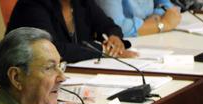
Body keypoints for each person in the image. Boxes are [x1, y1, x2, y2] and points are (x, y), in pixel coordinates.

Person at [7, 0, 136, 63]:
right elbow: (52, 50)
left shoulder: (82, 2)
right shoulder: (32, 5)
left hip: (71, 75)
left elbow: (108, 25)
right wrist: (102, 49)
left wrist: (115, 38)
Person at [96, 0, 181, 37]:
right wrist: (163, 24)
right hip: (124, 46)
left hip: (150, 38)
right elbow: (116, 28)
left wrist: (156, 15)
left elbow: (166, 5)